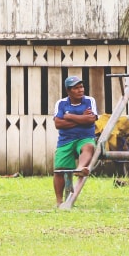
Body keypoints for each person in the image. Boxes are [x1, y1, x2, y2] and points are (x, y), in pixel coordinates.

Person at [52, 75, 98, 207]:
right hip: (65, 140)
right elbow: (58, 124)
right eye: (76, 88)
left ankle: (80, 168)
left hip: (85, 137)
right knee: (59, 170)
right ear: (68, 91)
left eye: (81, 87)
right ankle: (59, 201)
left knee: (89, 147)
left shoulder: (89, 101)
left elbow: (91, 120)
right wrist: (81, 119)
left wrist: (70, 116)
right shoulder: (61, 103)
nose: (80, 90)